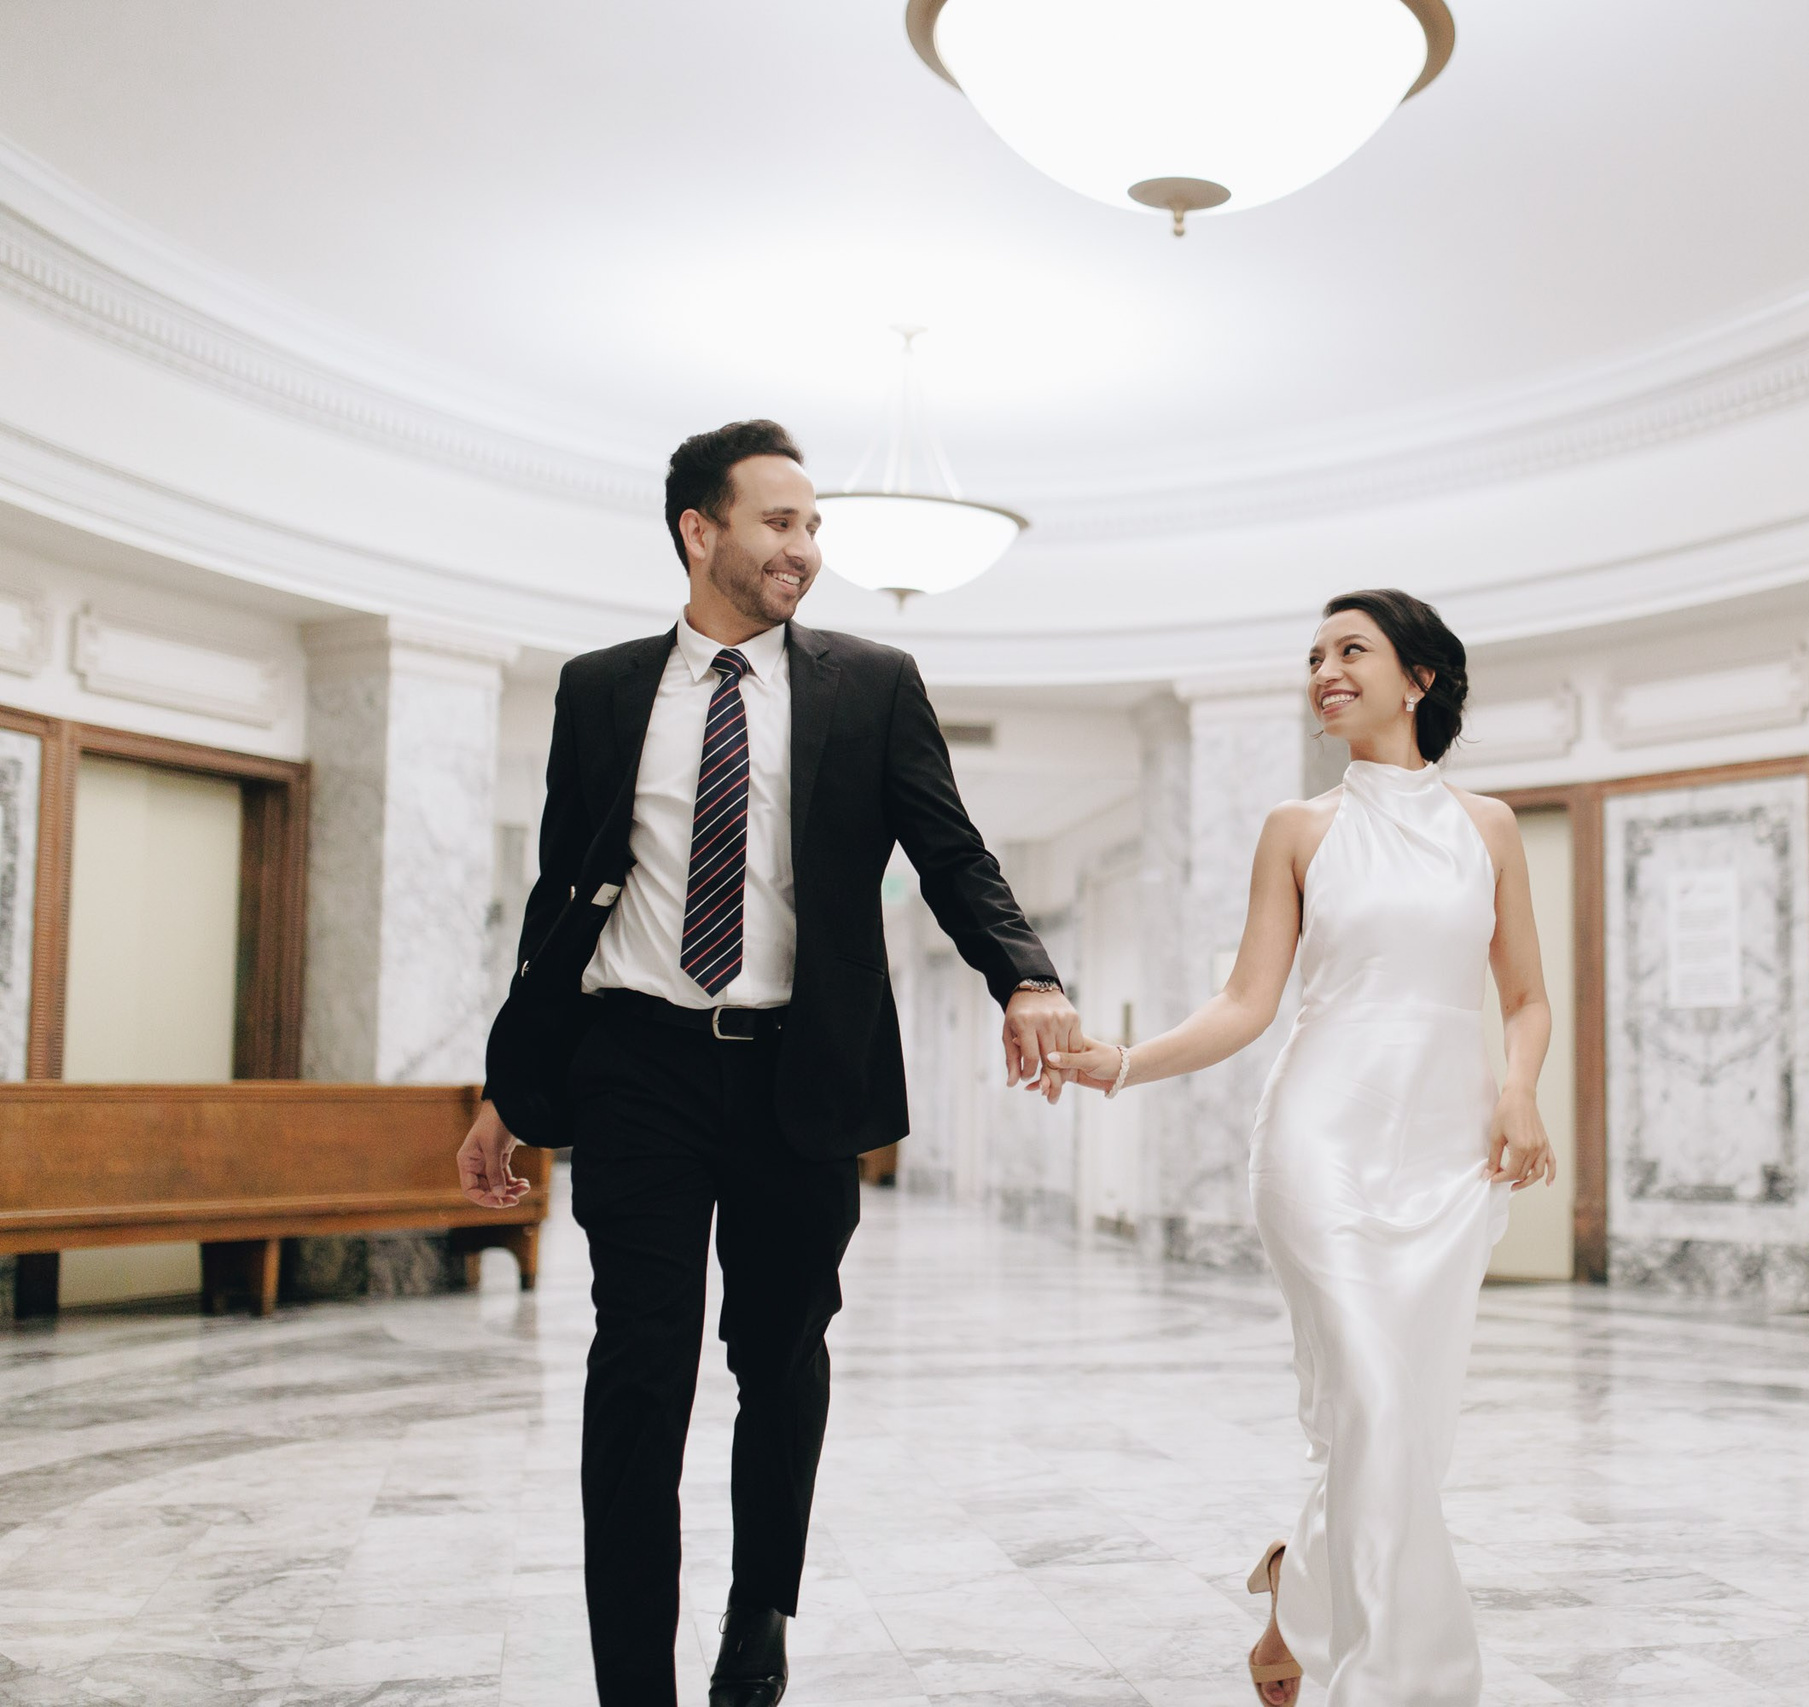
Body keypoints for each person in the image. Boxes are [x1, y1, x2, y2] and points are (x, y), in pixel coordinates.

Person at [456, 419, 1081, 1707]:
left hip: (802, 1069)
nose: (807, 548)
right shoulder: (602, 687)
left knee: (779, 1355)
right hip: (638, 1061)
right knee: (637, 1365)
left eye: (813, 527)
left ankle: (760, 1611)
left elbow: (949, 851)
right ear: (702, 531)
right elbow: (560, 901)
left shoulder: (870, 681)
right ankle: (632, 1679)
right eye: (781, 522)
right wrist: (509, 1091)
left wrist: (1025, 971)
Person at [1050, 589, 1557, 1707]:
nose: (1324, 670)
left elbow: (1524, 996)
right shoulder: (1298, 828)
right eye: (1315, 655)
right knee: (1371, 1398)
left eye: (1351, 650)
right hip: (1320, 1139)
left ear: (1420, 678)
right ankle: (1393, 1686)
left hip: (1446, 1153)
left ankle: (1296, 1585)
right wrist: (1122, 1062)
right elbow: (1244, 1002)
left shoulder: (1491, 827)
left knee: (1404, 1422)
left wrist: (1518, 1088)